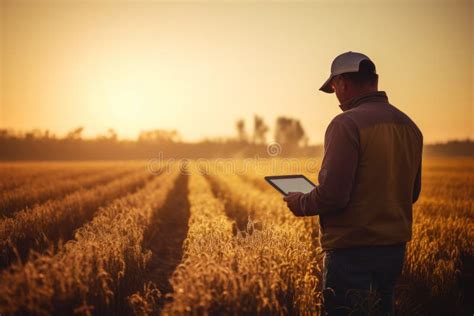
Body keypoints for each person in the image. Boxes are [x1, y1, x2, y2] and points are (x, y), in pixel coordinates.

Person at [283, 51, 423, 316]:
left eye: (334, 87)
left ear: (343, 83)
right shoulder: (410, 126)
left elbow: (334, 196)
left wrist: (300, 202)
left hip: (352, 251)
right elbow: (412, 193)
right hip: (394, 250)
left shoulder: (346, 124)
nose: (336, 94)